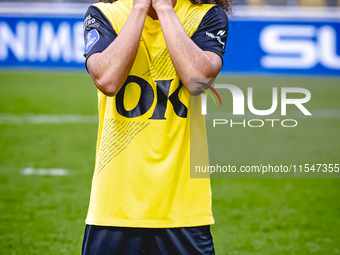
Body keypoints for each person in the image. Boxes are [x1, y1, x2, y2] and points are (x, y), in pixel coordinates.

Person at [82, 0, 232, 253]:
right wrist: (140, 7)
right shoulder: (106, 13)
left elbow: (198, 80)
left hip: (183, 209)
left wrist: (163, 8)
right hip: (115, 206)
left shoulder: (206, 14)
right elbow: (107, 80)